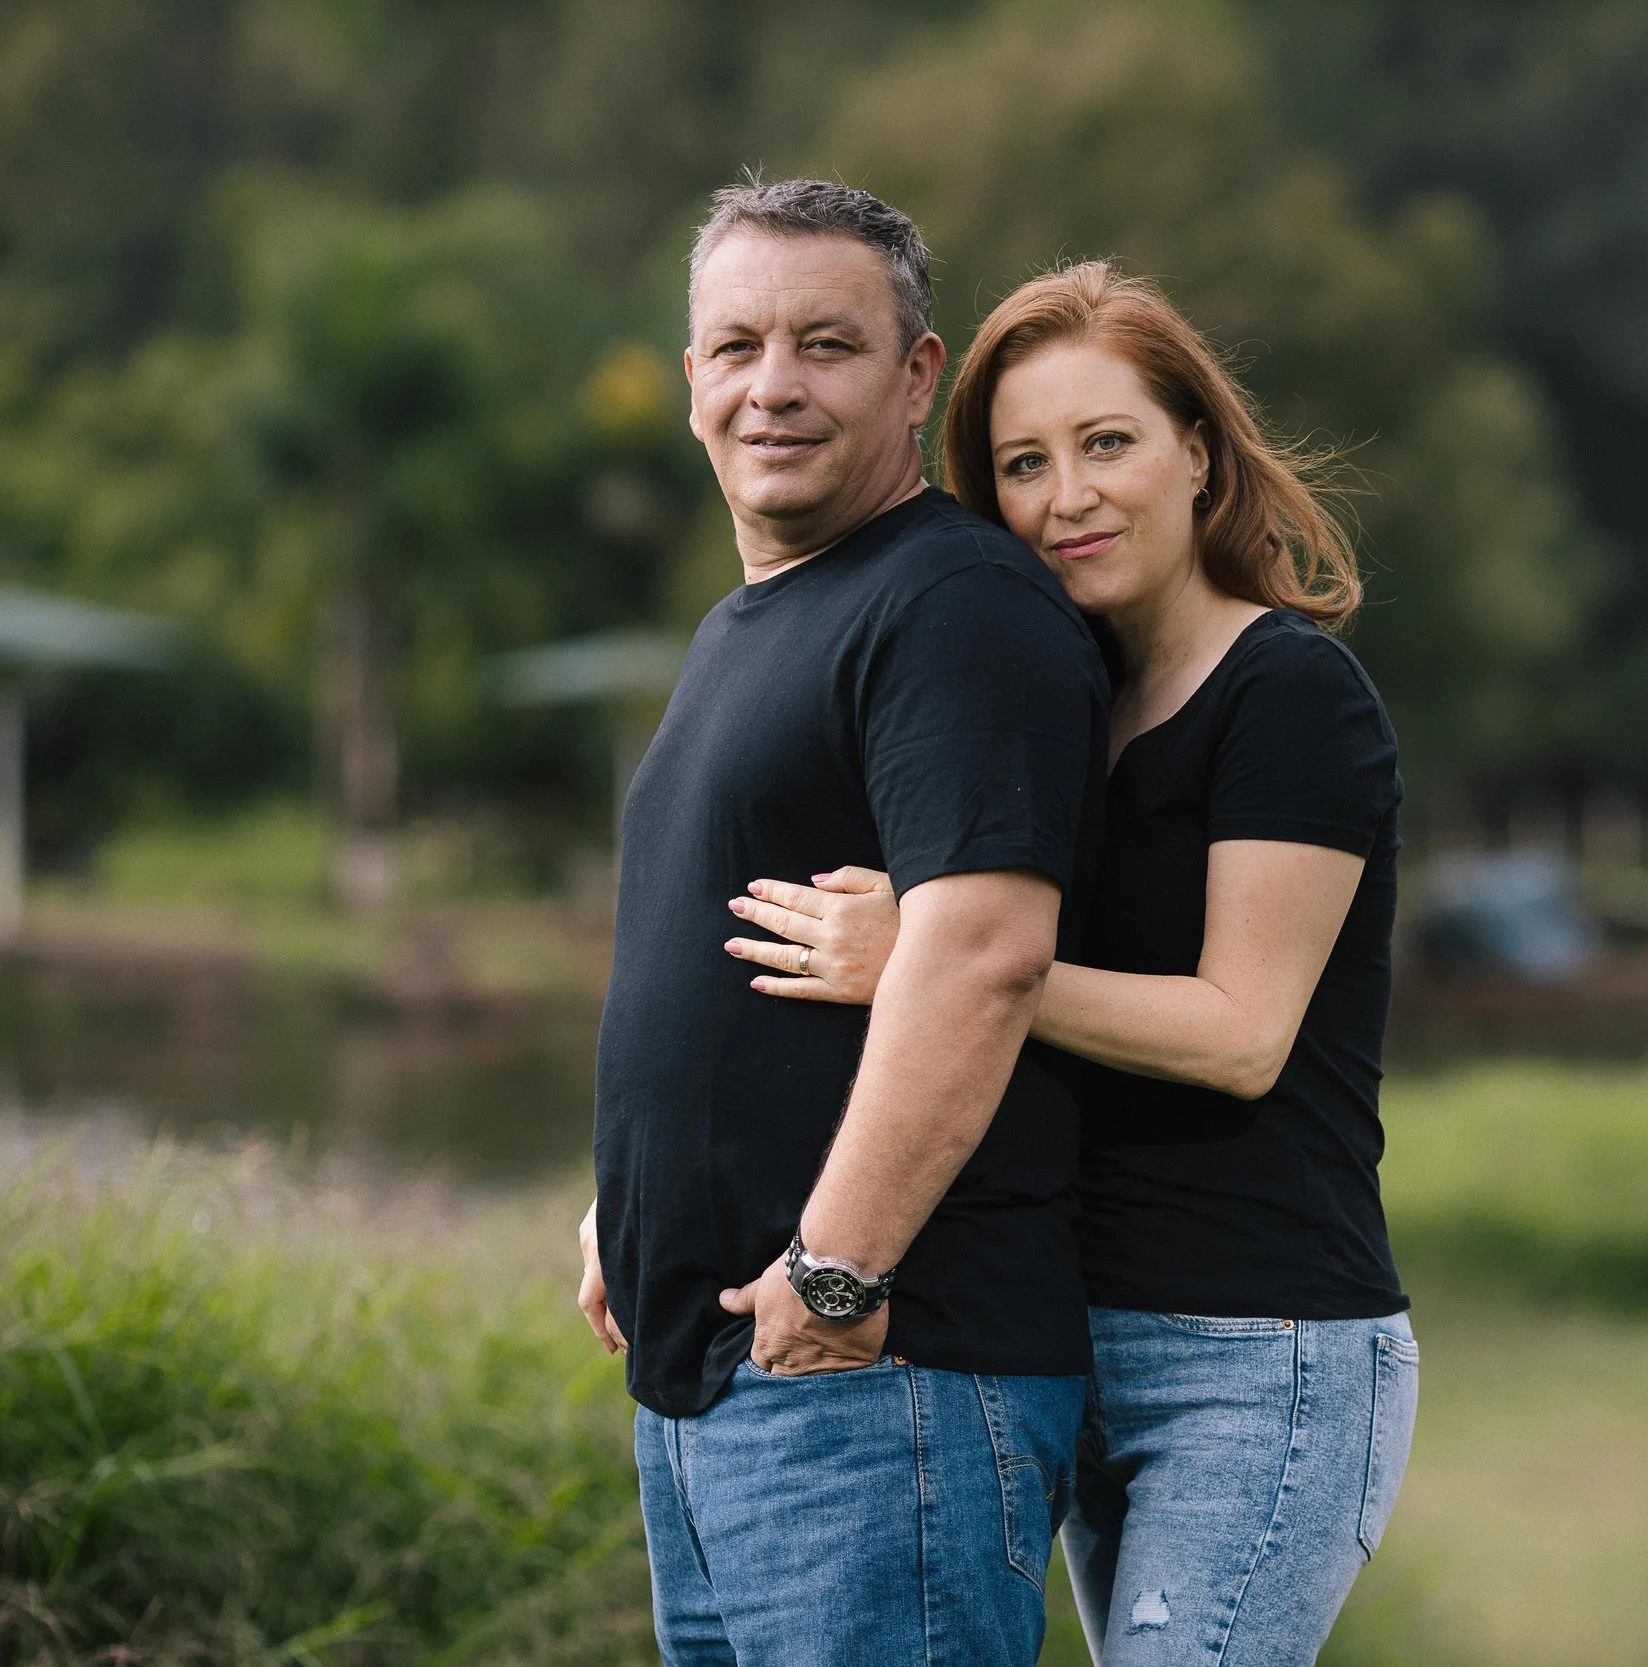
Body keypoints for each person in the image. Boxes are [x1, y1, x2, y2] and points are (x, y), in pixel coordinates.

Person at [720, 262, 1417, 1667]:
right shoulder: (1054, 702)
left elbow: (1241, 1031)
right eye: (1023, 465)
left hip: (1262, 1350)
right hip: (1070, 1327)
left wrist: (932, 958)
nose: (1067, 497)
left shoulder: (1287, 690)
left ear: (1198, 452)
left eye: (1109, 444)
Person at [574, 180, 1108, 1666]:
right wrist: (634, 1197)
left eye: (827, 343)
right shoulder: (752, 621)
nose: (773, 385)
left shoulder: (956, 607)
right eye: (736, 346)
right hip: (733, 1388)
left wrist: (835, 1270)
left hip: (881, 1381)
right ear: (692, 382)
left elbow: (985, 953)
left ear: (917, 375)